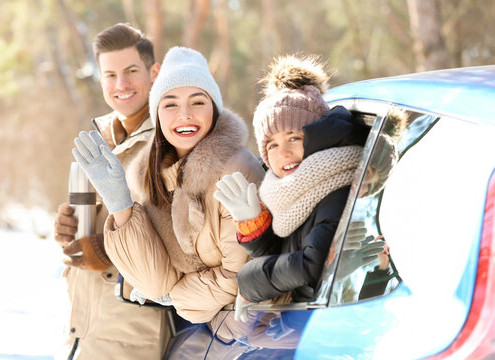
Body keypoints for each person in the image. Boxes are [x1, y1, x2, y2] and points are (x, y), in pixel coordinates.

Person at [71, 47, 265, 329]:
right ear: (157, 115)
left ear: (214, 108)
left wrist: (177, 297)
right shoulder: (156, 177)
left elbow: (240, 277)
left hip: (250, 333)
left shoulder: (234, 171)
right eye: (170, 104)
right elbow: (154, 282)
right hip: (202, 335)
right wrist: (120, 205)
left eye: (197, 102)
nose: (184, 115)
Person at [213, 55, 384, 325]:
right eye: (272, 145)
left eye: (295, 138)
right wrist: (253, 224)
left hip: (335, 323)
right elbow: (284, 252)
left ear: (319, 135)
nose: (285, 153)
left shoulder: (335, 186)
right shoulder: (290, 188)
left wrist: (248, 283)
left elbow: (310, 266)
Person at [52, 23, 171, 359]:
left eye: (131, 71)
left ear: (154, 72)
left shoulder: (169, 141)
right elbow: (88, 225)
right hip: (82, 332)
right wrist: (67, 231)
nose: (121, 85)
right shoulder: (98, 136)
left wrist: (105, 252)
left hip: (131, 337)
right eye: (110, 75)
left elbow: (178, 242)